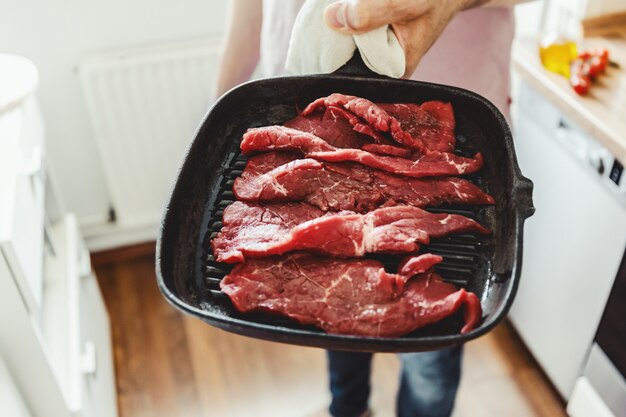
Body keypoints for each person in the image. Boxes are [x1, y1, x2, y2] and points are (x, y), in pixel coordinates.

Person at [214, 1, 530, 416]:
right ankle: (348, 408)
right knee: (335, 302)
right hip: (307, 105)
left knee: (428, 363)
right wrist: (216, 112)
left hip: (451, 109)